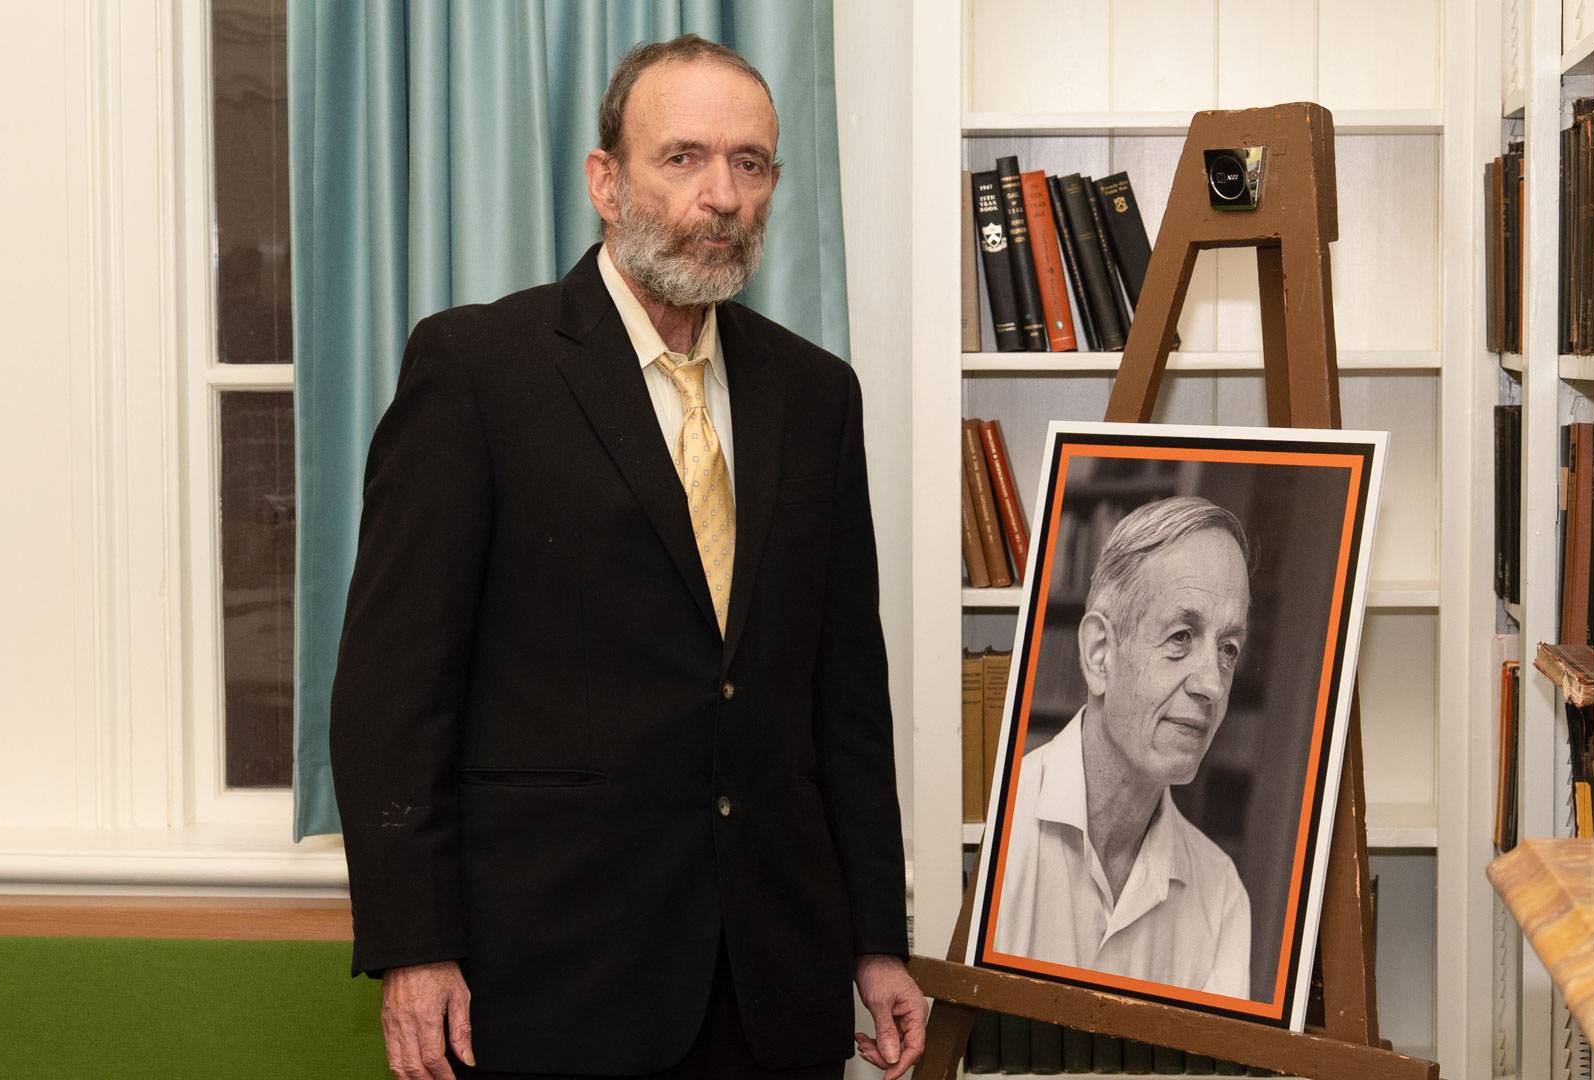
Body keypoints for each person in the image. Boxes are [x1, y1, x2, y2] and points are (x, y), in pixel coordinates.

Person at [329, 34, 925, 1080]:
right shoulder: (477, 371)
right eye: (684, 157)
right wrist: (413, 945)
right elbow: (393, 689)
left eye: (750, 164)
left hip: (773, 983)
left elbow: (846, 696)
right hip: (553, 981)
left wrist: (876, 935)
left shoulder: (816, 394)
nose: (722, 195)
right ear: (607, 182)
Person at [993, 496, 1254, 998]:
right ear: (1099, 653)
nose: (1213, 686)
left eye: (1228, 649)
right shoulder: (996, 827)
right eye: (1181, 636)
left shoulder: (1221, 893)